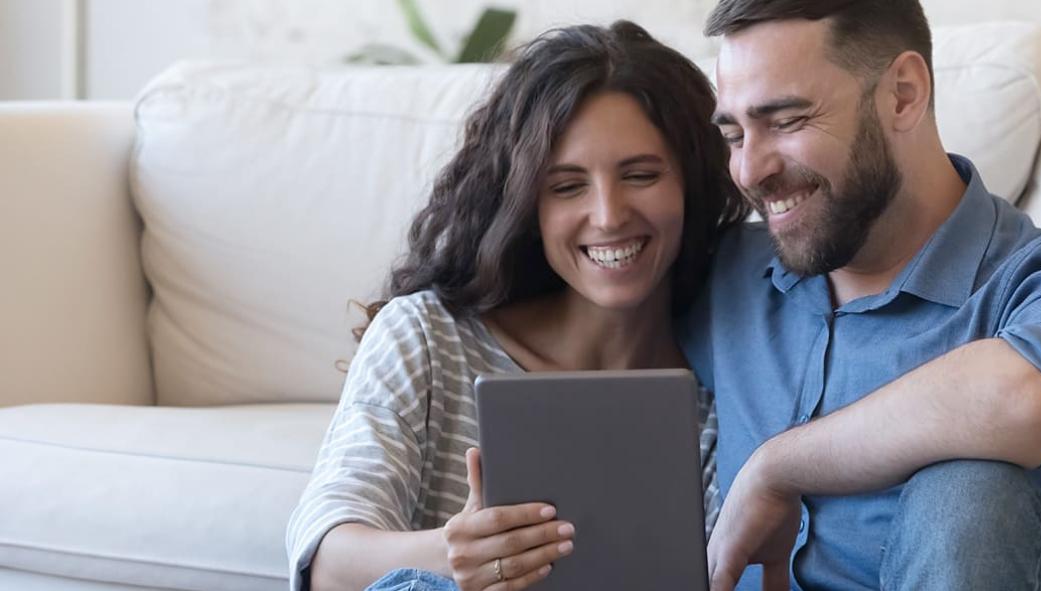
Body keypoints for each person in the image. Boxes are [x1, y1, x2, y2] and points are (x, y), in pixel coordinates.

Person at [682, 1, 1041, 590]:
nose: (748, 169)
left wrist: (775, 468)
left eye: (787, 120)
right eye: (735, 133)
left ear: (903, 94)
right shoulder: (729, 274)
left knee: (965, 494)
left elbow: (1018, 402)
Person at [284, 21, 750, 591]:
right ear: (527, 203)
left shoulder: (717, 401)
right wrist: (450, 555)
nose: (608, 215)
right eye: (567, 186)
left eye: (640, 175)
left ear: (692, 184)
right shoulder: (426, 336)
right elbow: (327, 563)